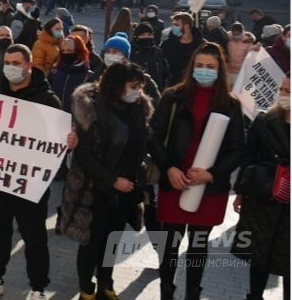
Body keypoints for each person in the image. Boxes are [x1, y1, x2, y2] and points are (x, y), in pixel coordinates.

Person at [0, 44, 63, 300]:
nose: (10, 66)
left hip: (29, 182)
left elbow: (56, 139)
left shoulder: (47, 99)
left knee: (34, 237)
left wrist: (69, 139)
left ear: (29, 66)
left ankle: (38, 288)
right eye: (7, 61)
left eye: (17, 63)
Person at [149, 43, 245, 300]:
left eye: (210, 67)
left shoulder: (231, 105)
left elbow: (238, 148)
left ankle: (193, 293)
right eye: (200, 66)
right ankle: (166, 291)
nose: (204, 71)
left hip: (209, 188)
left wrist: (212, 174)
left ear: (219, 70)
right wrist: (169, 168)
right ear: (192, 67)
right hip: (175, 182)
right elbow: (154, 137)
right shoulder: (172, 97)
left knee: (198, 246)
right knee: (170, 245)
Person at [62, 62, 153, 300]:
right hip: (95, 189)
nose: (138, 91)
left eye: (140, 87)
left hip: (126, 188)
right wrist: (112, 180)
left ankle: (106, 283)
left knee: (112, 241)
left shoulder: (137, 108)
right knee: (91, 242)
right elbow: (85, 155)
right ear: (117, 84)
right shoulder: (93, 109)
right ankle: (86, 289)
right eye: (133, 86)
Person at [233, 76, 289, 300]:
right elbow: (249, 156)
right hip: (263, 198)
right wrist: (240, 192)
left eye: (290, 91)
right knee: (259, 255)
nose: (284, 95)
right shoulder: (265, 120)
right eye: (282, 89)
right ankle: (254, 296)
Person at [49, 35, 94, 113]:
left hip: (74, 121)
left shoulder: (88, 76)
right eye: (63, 51)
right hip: (54, 115)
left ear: (78, 52)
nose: (66, 53)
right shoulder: (55, 71)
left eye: (69, 51)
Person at [161, 13, 205, 86]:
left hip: (195, 85)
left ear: (187, 26)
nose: (173, 27)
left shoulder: (201, 45)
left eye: (176, 25)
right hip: (173, 86)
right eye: (173, 25)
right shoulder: (167, 45)